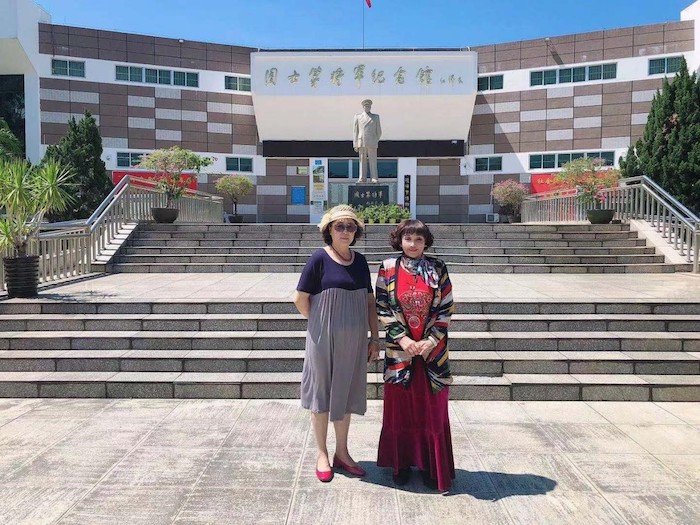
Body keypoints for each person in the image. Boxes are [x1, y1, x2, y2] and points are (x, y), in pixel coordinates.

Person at [293, 204, 381, 483]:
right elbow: (300, 299)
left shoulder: (360, 262)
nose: (345, 231)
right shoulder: (318, 259)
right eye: (339, 226)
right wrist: (320, 322)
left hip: (354, 341)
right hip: (322, 340)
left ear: (356, 232)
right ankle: (322, 453)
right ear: (329, 230)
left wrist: (375, 337)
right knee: (321, 395)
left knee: (346, 393)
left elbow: (369, 302)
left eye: (350, 226)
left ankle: (342, 452)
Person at [375, 219, 456, 491]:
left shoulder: (438, 268)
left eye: (418, 239)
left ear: (425, 242)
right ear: (399, 241)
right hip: (401, 354)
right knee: (401, 411)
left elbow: (446, 307)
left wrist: (431, 340)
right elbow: (382, 307)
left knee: (433, 411)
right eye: (408, 239)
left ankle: (431, 466)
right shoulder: (388, 268)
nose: (413, 244)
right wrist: (404, 339)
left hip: (432, 354)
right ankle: (401, 464)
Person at [353, 99, 382, 183]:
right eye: (366, 106)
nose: (367, 107)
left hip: (372, 142)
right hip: (361, 142)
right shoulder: (358, 117)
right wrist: (355, 144)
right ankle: (362, 178)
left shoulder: (375, 117)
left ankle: (374, 178)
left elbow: (379, 131)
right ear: (363, 107)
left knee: (373, 161)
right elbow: (355, 131)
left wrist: (374, 139)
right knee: (362, 161)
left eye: (369, 106)